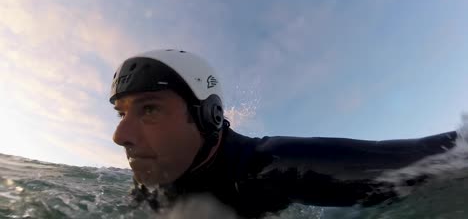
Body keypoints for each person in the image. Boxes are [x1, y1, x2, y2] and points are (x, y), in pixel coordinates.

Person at [110, 49, 459, 218]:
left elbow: (429, 161)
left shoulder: (270, 166)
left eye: (150, 109)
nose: (120, 134)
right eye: (121, 112)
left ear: (208, 115)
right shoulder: (149, 184)